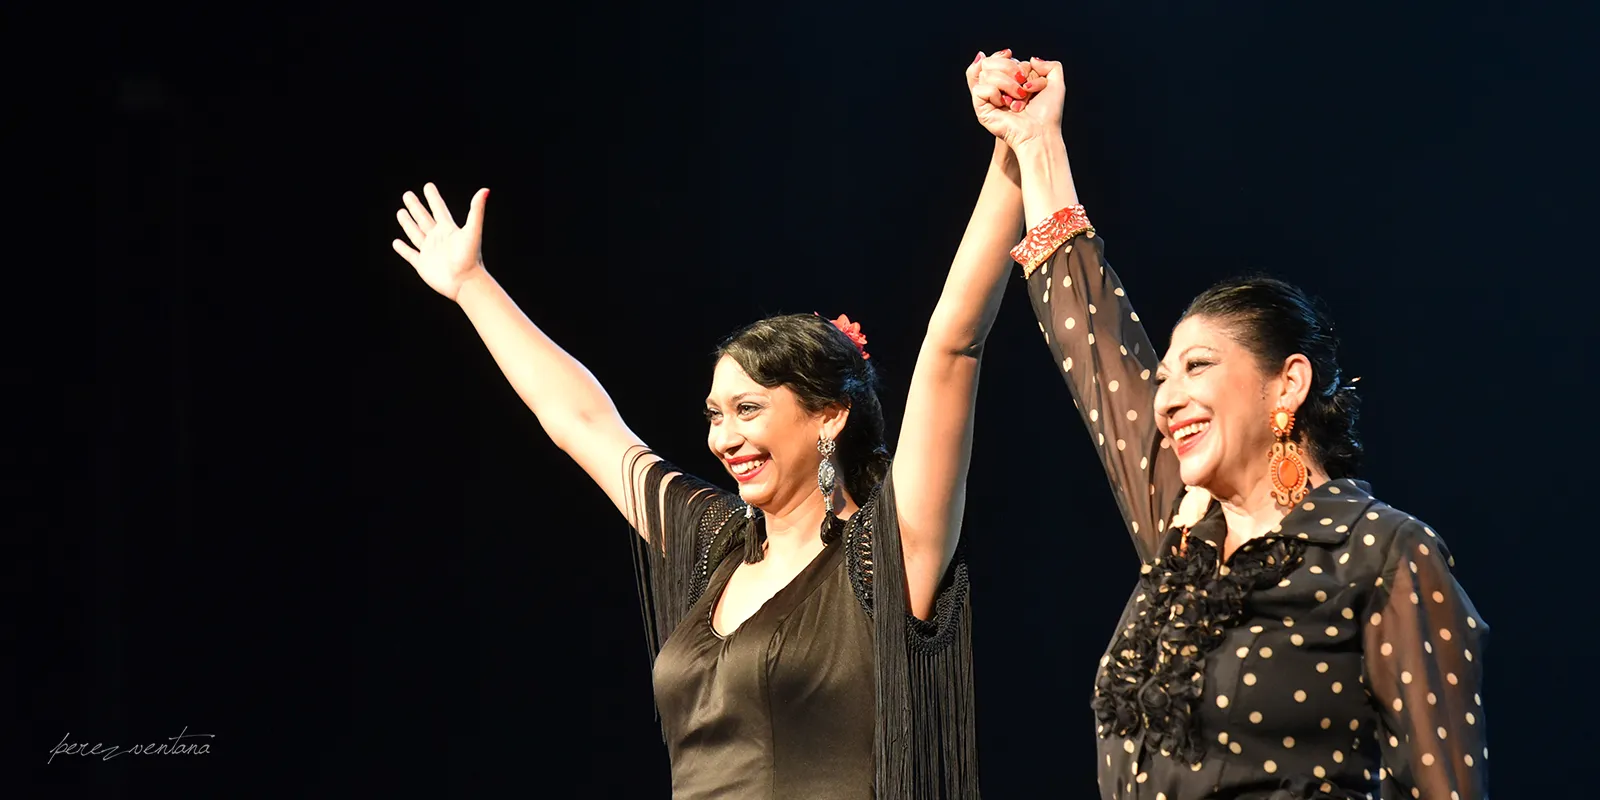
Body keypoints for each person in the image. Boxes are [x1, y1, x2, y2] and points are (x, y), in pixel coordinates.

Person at [386, 50, 1051, 798]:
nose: (722, 438)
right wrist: (471, 285)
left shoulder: (887, 552)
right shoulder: (716, 547)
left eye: (748, 409)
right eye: (714, 415)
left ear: (829, 417)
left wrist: (1013, 147)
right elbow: (582, 421)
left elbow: (953, 344)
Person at [998, 58, 1491, 799]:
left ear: (1287, 383)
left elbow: (1444, 786)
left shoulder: (1383, 554)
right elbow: (1094, 346)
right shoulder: (1184, 536)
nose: (1166, 399)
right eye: (1162, 380)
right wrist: (1037, 141)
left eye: (1196, 367)